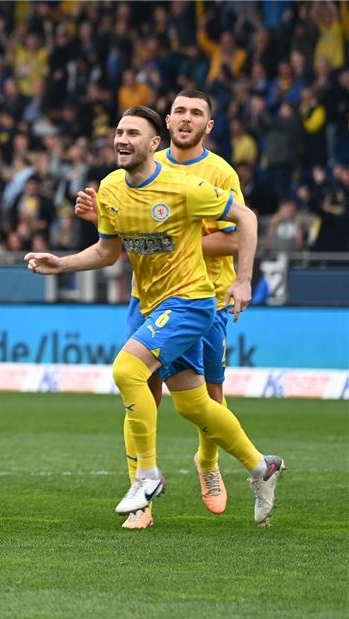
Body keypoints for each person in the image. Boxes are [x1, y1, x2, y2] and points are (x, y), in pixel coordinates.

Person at [27, 107, 284, 527]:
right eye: (118, 132)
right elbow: (107, 251)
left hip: (191, 302)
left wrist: (243, 280)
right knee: (193, 404)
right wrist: (62, 264)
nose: (122, 139)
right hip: (150, 303)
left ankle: (146, 478)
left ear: (154, 144)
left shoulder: (185, 188)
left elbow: (246, 218)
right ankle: (261, 467)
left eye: (133, 133)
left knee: (127, 370)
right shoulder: (110, 187)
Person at [76, 90, 245, 529]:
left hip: (204, 293)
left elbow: (234, 234)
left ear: (209, 126)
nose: (187, 119)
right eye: (180, 112)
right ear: (166, 124)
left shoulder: (218, 172)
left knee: (207, 397)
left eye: (197, 114)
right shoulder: (139, 163)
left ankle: (208, 462)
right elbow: (121, 233)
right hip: (148, 295)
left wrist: (171, 234)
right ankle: (142, 499)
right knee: (138, 386)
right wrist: (105, 216)